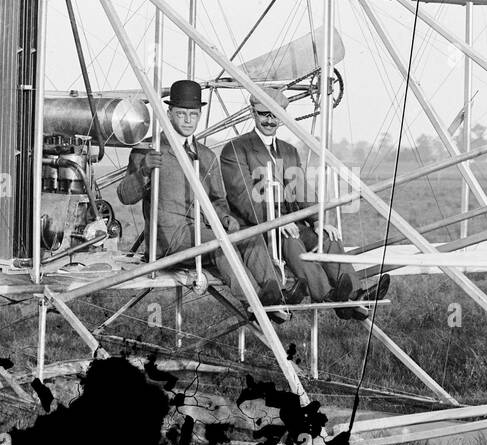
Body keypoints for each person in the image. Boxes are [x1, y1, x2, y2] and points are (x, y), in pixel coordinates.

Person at [117, 79, 289, 317]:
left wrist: (226, 218)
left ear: (199, 115)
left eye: (193, 114)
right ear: (169, 113)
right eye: (181, 114)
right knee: (221, 243)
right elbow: (124, 196)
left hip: (202, 235)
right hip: (168, 241)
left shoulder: (207, 156)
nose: (188, 120)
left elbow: (217, 201)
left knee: (251, 237)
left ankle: (274, 297)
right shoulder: (148, 150)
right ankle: (256, 304)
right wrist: (143, 171)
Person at [219, 88, 388, 320]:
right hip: (257, 227)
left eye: (275, 115)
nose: (270, 120)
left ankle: (356, 295)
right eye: (263, 114)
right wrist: (276, 221)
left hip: (291, 224)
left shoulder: (289, 151)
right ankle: (329, 295)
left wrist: (318, 221)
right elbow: (243, 198)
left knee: (328, 238)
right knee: (291, 239)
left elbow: (301, 191)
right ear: (252, 113)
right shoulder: (236, 149)